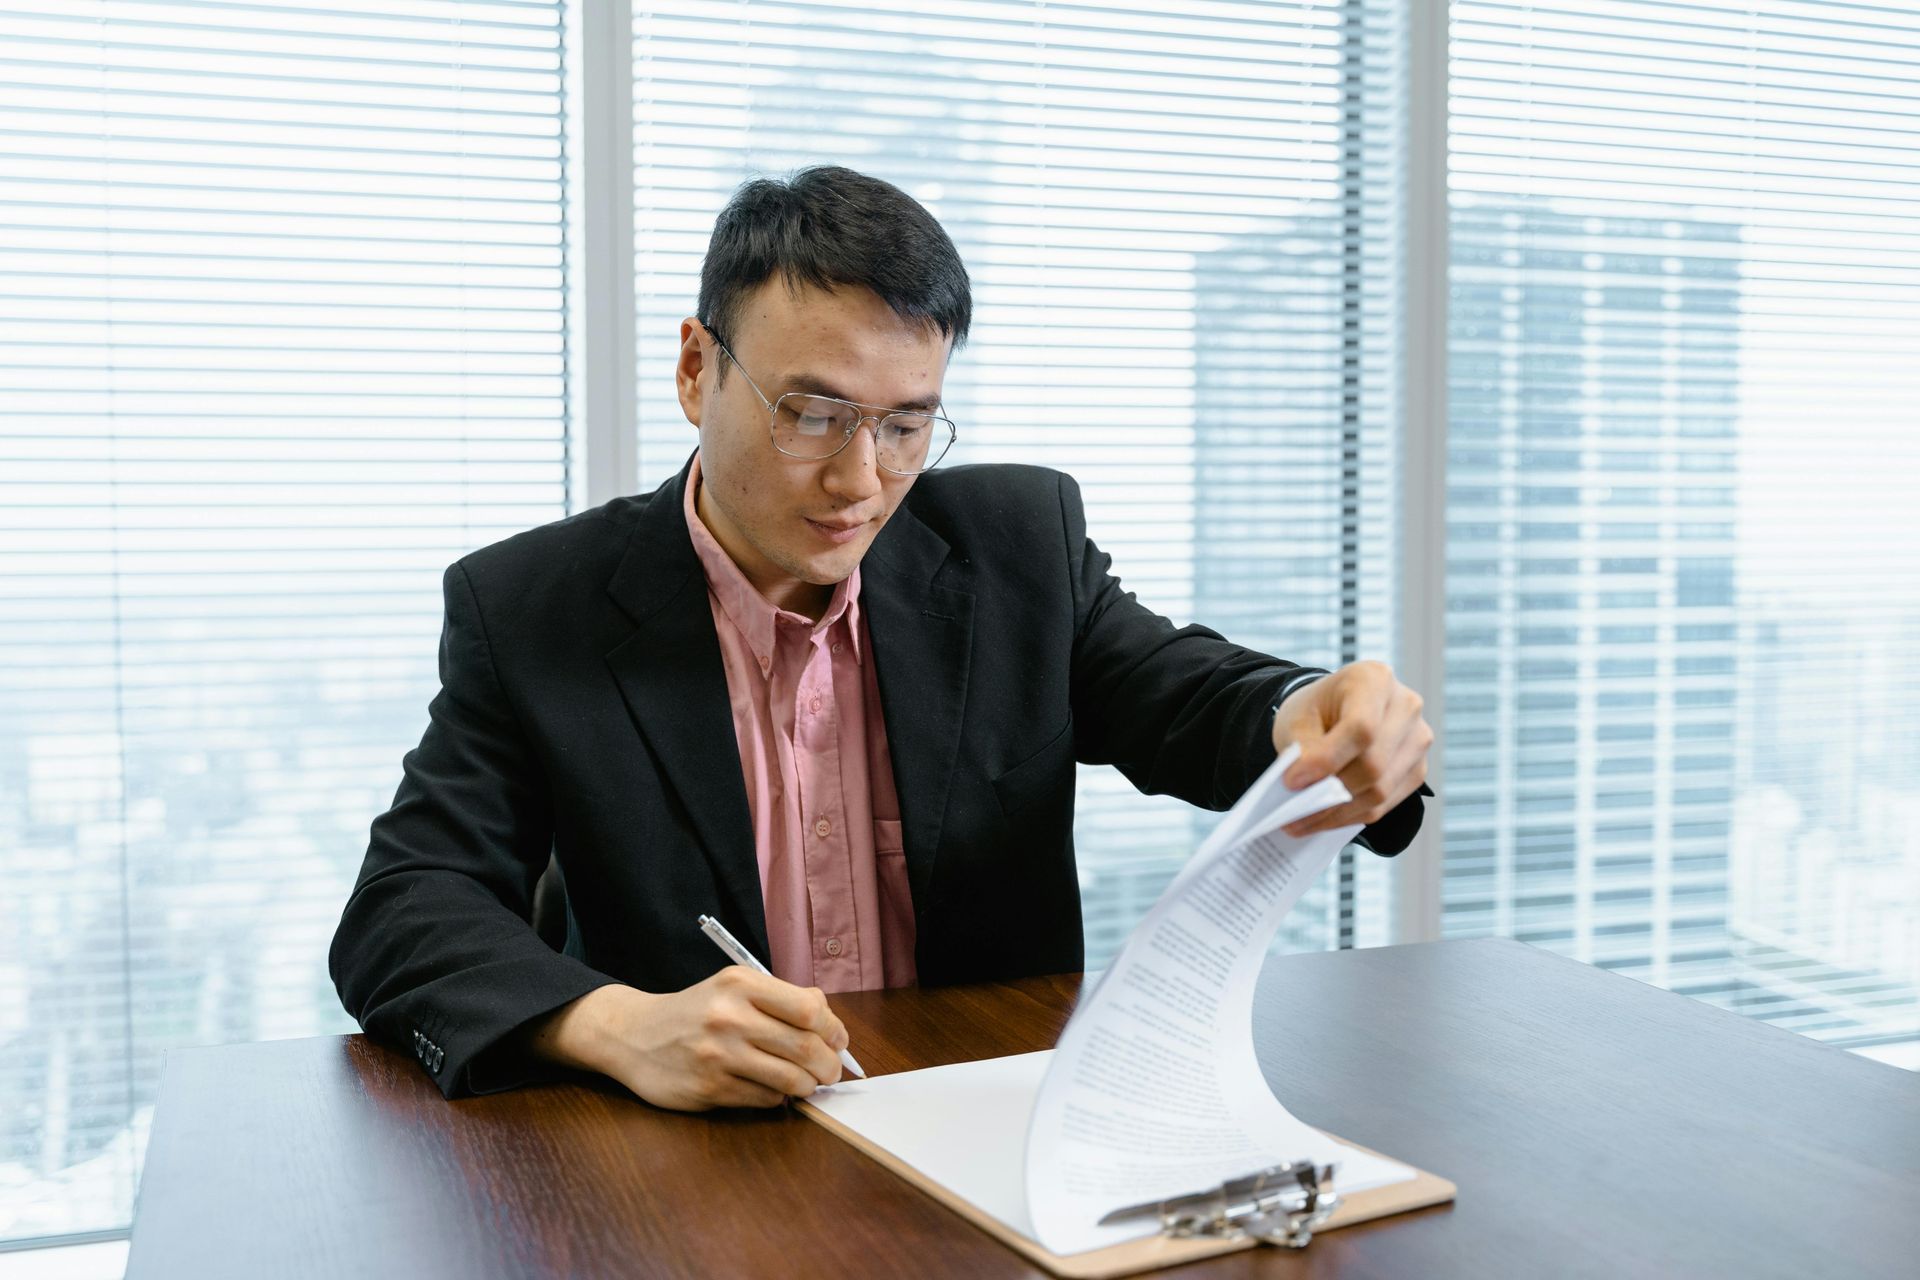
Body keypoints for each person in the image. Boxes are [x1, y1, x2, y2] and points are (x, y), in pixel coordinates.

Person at [329, 165, 1434, 1112]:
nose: (861, 481)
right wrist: (620, 1026)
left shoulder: (1015, 547)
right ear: (693, 369)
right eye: (812, 413)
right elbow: (402, 908)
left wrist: (1306, 709)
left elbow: (1183, 693)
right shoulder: (534, 607)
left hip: (992, 1136)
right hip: (690, 1171)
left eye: (907, 424)